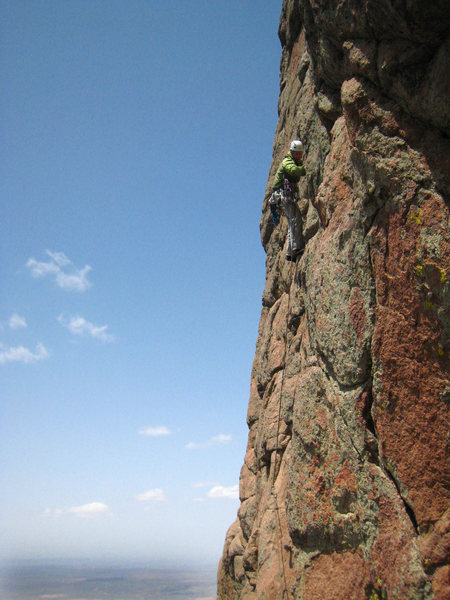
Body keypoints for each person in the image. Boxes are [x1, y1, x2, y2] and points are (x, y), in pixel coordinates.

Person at [270, 140, 306, 261]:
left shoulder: (294, 161)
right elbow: (293, 170)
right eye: (296, 154)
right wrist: (304, 169)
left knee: (292, 221)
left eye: (300, 154)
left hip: (285, 196)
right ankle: (295, 248)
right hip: (284, 195)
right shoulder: (287, 162)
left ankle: (290, 253)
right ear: (292, 152)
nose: (298, 156)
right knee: (296, 220)